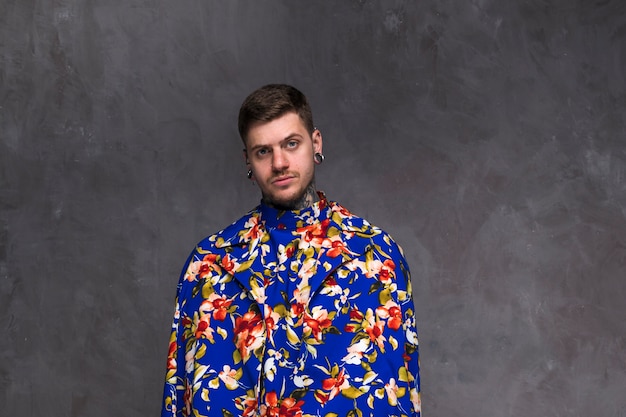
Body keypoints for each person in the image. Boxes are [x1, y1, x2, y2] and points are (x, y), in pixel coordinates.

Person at [161, 84, 421, 417]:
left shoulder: (375, 255)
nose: (280, 163)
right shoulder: (210, 264)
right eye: (263, 151)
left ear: (316, 144)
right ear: (248, 162)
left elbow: (404, 392)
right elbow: (178, 396)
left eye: (291, 144)